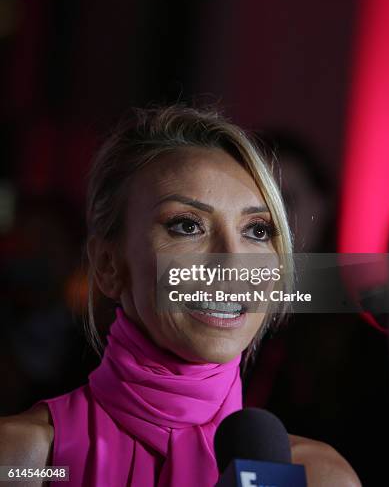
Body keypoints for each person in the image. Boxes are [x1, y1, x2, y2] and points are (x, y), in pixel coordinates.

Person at [0, 105, 361, 486]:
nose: (232, 265)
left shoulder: (318, 476)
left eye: (256, 231)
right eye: (187, 226)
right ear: (108, 265)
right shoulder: (20, 460)